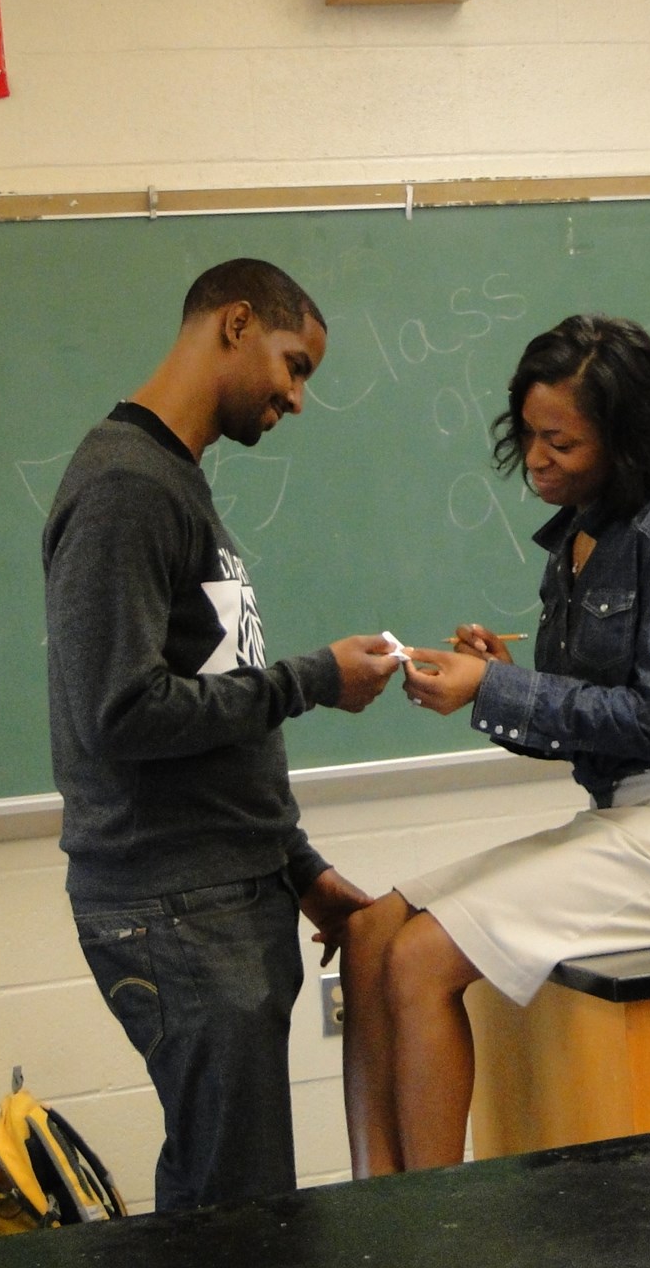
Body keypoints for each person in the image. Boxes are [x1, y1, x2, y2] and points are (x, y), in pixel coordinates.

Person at [339, 313, 650, 1176]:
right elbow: (581, 718)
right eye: (529, 436)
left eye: (561, 442)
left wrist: (502, 691)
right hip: (630, 815)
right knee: (370, 934)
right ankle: (377, 1208)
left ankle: (430, 1221)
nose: (537, 461)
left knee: (422, 958)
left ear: (625, 440)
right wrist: (494, 680)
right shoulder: (577, 541)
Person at [42, 257, 401, 1213]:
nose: (296, 396)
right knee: (233, 1215)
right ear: (234, 324)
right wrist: (314, 680)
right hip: (175, 908)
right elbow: (120, 715)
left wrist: (298, 869)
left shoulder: (175, 482)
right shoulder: (128, 487)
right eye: (294, 365)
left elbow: (210, 716)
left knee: (237, 1198)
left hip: (219, 894)